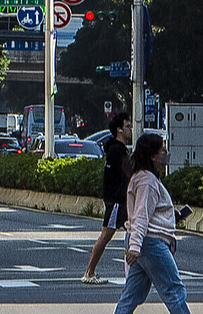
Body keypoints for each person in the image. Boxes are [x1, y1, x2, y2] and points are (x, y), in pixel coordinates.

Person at [111, 133, 192, 314]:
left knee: (131, 295)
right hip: (151, 242)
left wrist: (171, 214)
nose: (165, 152)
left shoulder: (143, 177)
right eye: (162, 149)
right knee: (174, 291)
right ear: (152, 155)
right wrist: (135, 246)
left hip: (142, 242)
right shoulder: (147, 181)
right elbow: (141, 215)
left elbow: (148, 211)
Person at [81, 115, 132, 284]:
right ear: (119, 130)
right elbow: (126, 174)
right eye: (127, 126)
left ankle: (136, 273)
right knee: (106, 235)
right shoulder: (117, 151)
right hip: (117, 200)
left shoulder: (117, 149)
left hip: (121, 200)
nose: (130, 129)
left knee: (136, 233)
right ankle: (89, 272)